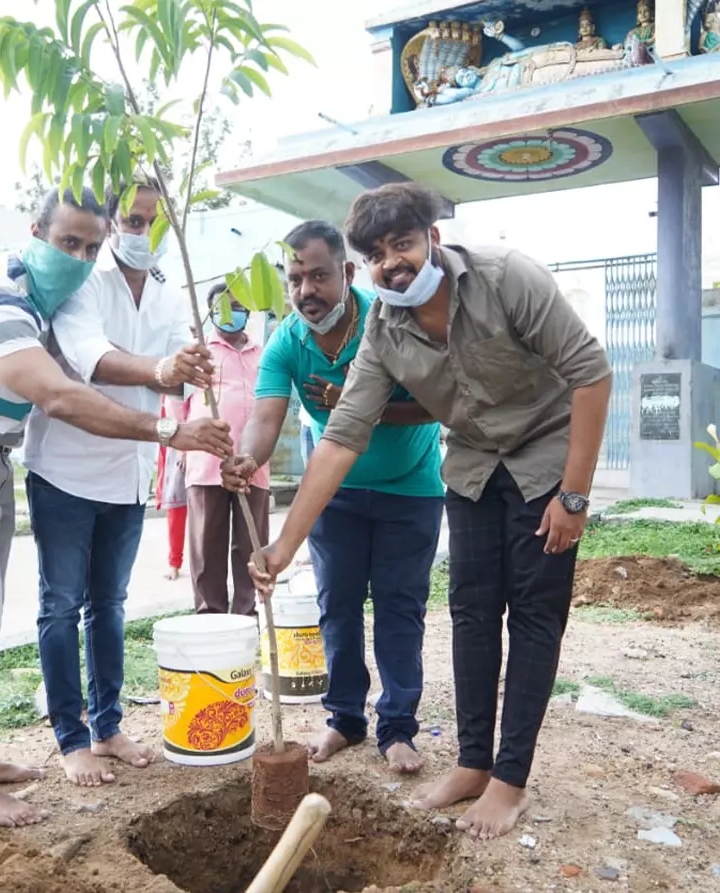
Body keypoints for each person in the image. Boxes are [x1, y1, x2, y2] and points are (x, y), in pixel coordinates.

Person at [247, 183, 612, 840]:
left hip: (546, 456)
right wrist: (283, 546)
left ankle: (509, 781)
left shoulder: (507, 277)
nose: (393, 263)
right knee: (471, 611)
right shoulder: (384, 331)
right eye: (377, 254)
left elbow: (591, 373)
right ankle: (473, 764)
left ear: (433, 239)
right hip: (472, 462)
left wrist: (574, 496)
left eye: (404, 244)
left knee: (533, 614)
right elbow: (341, 437)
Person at [0, 186, 231, 827]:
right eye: (67, 242)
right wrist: (168, 425)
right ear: (36, 231)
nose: (78, 256)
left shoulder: (50, 294)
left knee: (70, 606)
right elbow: (61, 392)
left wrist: (183, 381)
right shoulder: (4, 296)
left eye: (88, 244)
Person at [222, 220, 444, 774]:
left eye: (319, 276)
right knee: (337, 607)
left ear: (347, 272)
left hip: (410, 489)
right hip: (334, 494)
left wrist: (358, 403)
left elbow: (438, 402)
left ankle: (397, 728)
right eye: (295, 279)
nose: (307, 292)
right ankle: (345, 718)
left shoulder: (390, 319)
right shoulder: (287, 342)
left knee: (399, 608)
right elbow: (266, 417)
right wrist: (247, 458)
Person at [21, 181, 223, 787]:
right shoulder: (83, 277)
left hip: (130, 471)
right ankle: (70, 737)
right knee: (61, 605)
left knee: (109, 604)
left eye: (151, 222)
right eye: (132, 220)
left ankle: (107, 726)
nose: (141, 232)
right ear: (111, 222)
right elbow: (91, 357)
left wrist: (191, 369)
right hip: (65, 468)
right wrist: (164, 369)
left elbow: (177, 368)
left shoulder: (165, 287)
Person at [186, 282, 270, 617]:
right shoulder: (199, 352)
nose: (232, 313)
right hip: (206, 460)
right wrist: (181, 450)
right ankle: (210, 616)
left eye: (238, 306)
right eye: (224, 306)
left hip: (253, 462)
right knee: (207, 543)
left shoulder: (261, 352)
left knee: (252, 543)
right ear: (210, 312)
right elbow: (177, 402)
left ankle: (248, 616)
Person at [156, 394, 189, 581]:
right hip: (174, 449)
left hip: (192, 447)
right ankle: (174, 562)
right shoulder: (165, 391)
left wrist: (187, 449)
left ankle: (178, 562)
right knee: (176, 510)